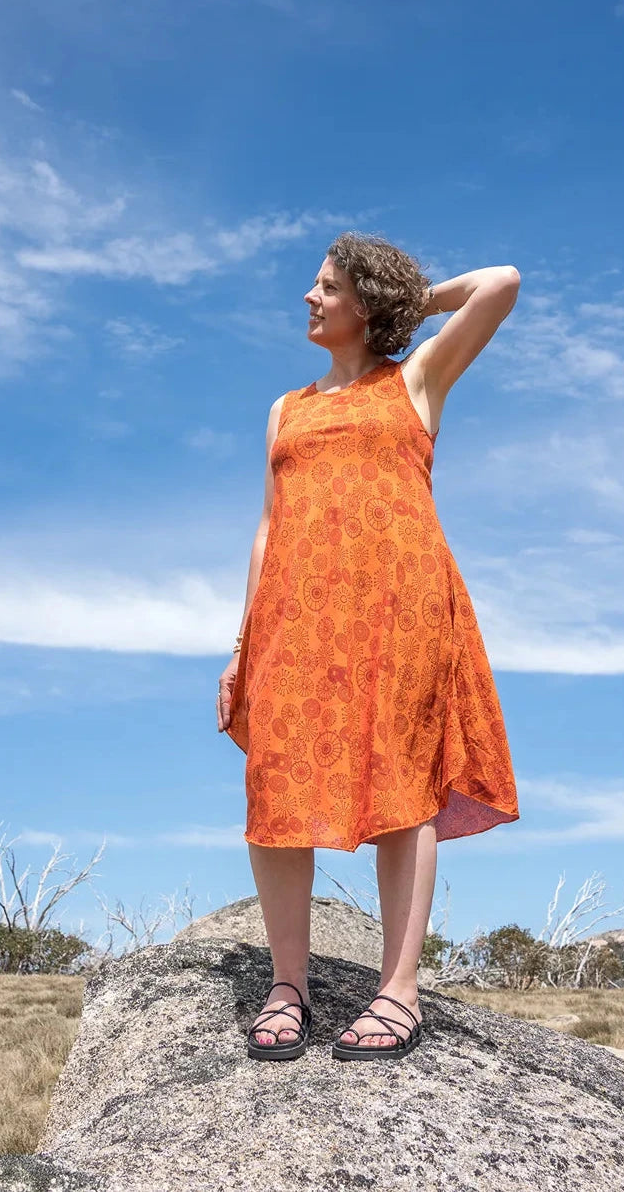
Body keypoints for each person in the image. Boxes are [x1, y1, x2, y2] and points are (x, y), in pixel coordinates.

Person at [217, 232, 521, 1062]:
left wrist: (404, 303)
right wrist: (244, 642)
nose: (308, 298)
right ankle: (289, 985)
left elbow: (500, 282)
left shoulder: (417, 379)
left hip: (400, 605)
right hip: (295, 611)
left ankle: (398, 992)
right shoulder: (287, 409)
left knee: (401, 781)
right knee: (275, 782)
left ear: (364, 301)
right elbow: (268, 527)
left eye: (326, 286)